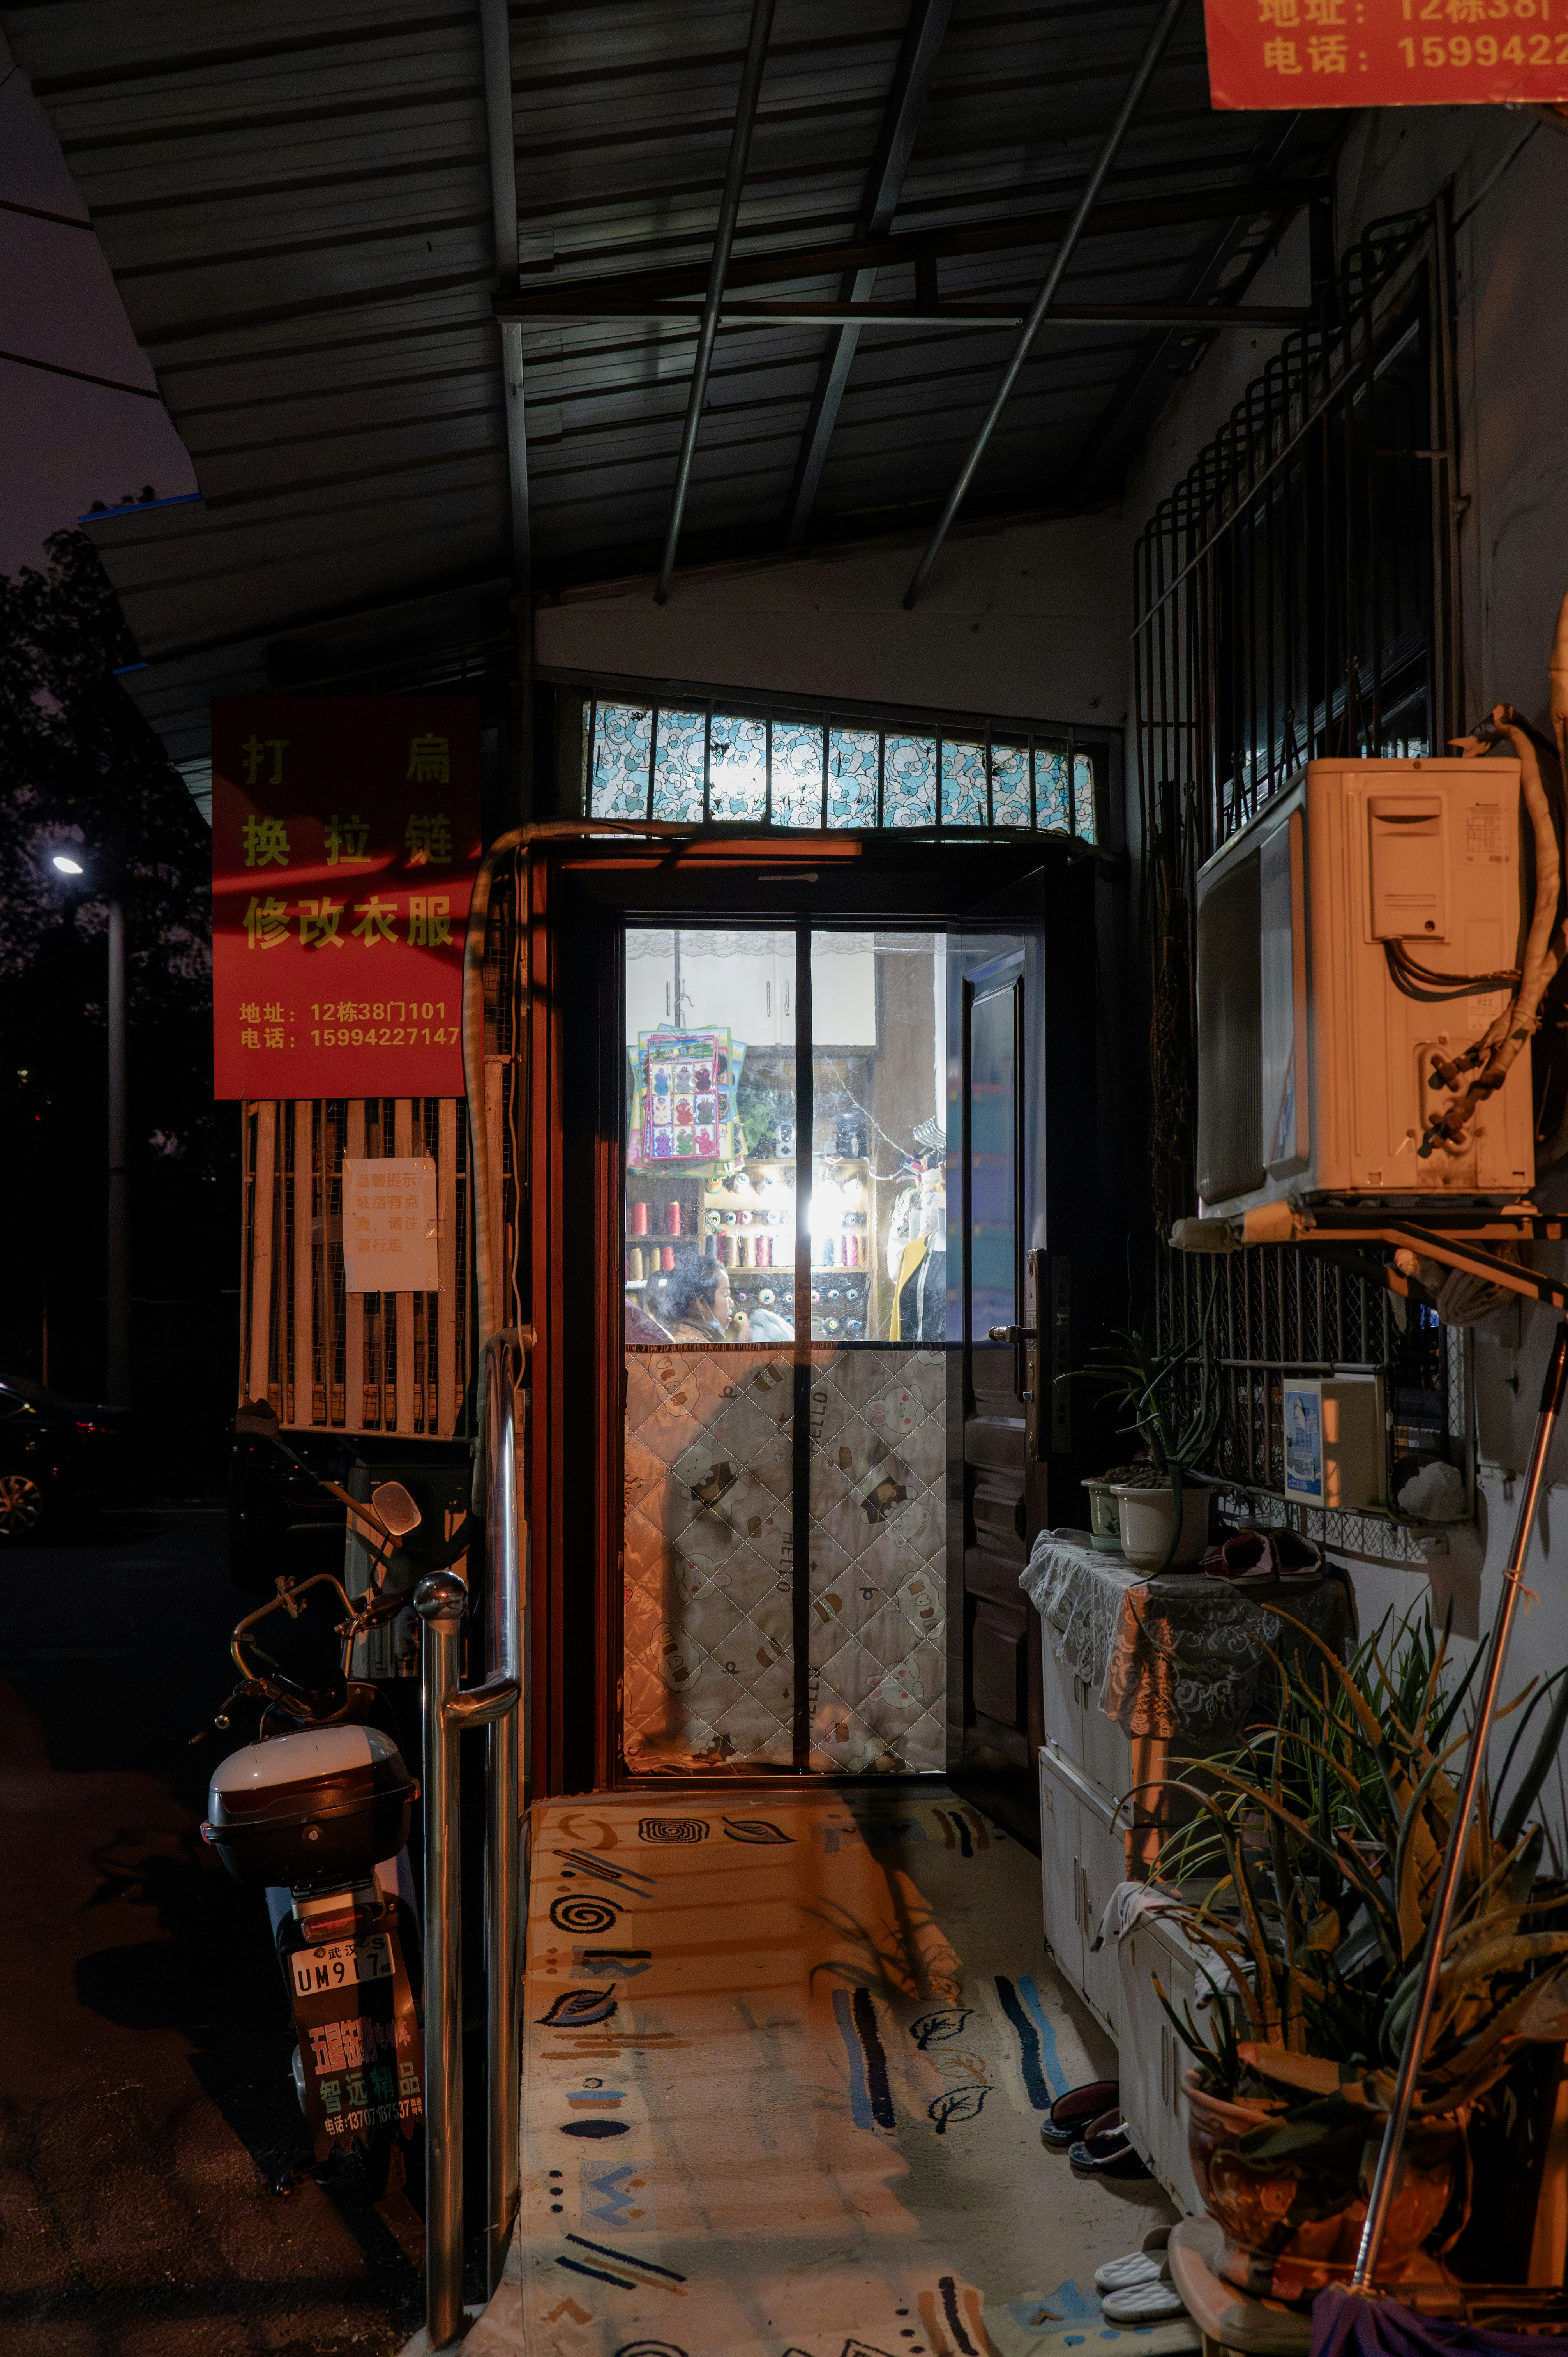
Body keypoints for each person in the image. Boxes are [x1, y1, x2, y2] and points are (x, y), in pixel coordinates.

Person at [660, 1254, 748, 1345]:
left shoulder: (687, 1337)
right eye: (726, 1295)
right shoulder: (696, 1347)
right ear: (701, 1304)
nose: (732, 1304)